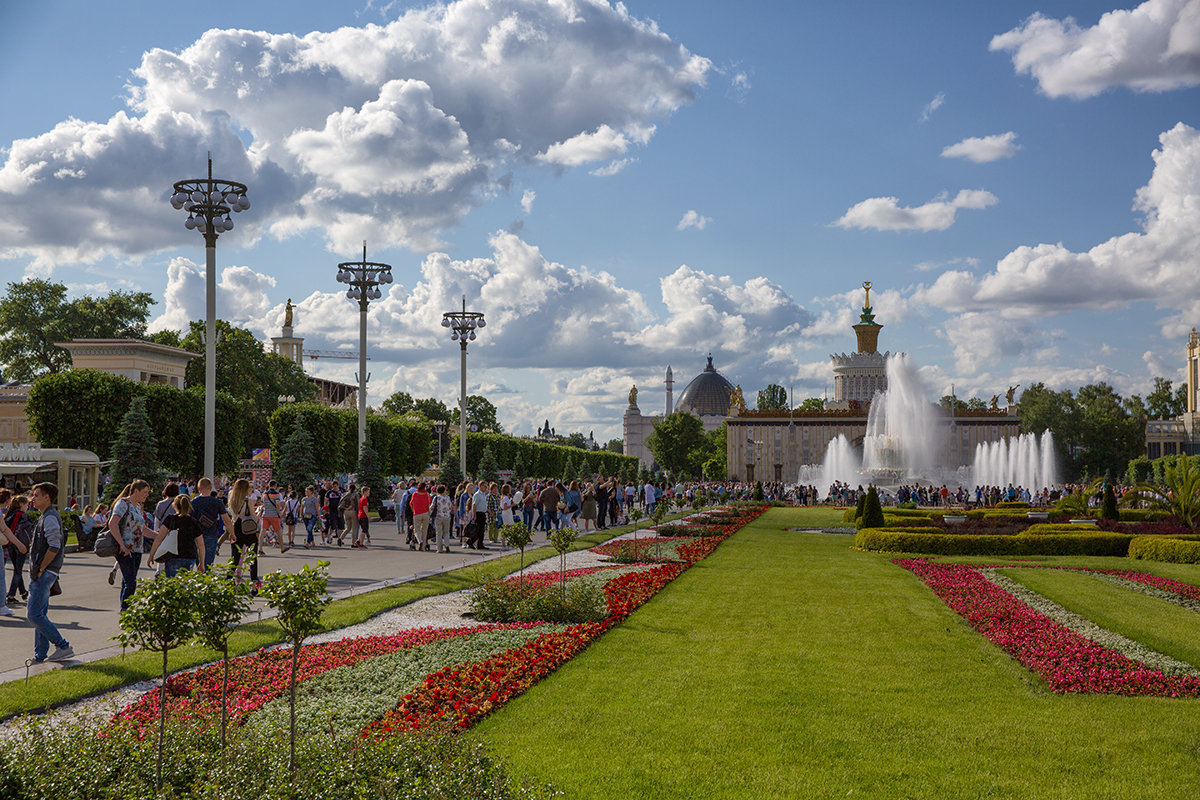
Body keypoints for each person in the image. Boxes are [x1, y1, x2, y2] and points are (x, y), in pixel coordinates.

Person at [26, 482, 73, 663]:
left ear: (47, 497)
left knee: (34, 615)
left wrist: (42, 568)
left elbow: (54, 545)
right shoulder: (45, 516)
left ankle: (63, 646)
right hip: (43, 572)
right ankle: (40, 654)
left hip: (44, 573)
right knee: (40, 615)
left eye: (36, 495)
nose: (33, 498)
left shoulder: (50, 517)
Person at [110, 480, 156, 611]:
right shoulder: (123, 504)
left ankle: (125, 608)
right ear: (136, 491)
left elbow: (143, 529)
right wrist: (122, 545)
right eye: (145, 492)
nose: (147, 495)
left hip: (137, 549)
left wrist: (159, 536)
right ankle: (125, 609)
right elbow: (112, 524)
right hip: (125, 549)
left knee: (128, 580)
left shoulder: (137, 507)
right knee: (131, 582)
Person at [149, 494, 205, 577]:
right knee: (184, 585)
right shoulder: (193, 522)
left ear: (174, 506)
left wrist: (151, 555)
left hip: (173, 555)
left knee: (172, 584)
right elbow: (201, 545)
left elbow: (159, 538)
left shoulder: (170, 519)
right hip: (189, 557)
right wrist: (201, 563)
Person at [227, 478, 262, 593]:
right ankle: (253, 587)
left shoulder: (232, 501)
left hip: (236, 529)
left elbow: (233, 518)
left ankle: (228, 583)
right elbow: (255, 518)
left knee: (235, 559)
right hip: (249, 531)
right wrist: (258, 513)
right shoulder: (248, 501)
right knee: (252, 558)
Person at [190, 478, 233, 570]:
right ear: (210, 488)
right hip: (211, 534)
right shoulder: (217, 502)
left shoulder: (193, 502)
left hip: (196, 536)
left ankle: (199, 581)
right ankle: (206, 581)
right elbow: (226, 520)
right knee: (208, 565)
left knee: (199, 563)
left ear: (198, 489)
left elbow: (189, 521)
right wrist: (232, 533)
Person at [1, 490, 29, 615]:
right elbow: (6, 530)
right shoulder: (19, 515)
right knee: (6, 574)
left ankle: (22, 592)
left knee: (17, 570)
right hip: (12, 545)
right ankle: (3, 603)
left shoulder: (8, 513)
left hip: (9, 546)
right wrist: (19, 543)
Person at [260, 480, 289, 553]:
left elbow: (262, 502)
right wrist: (279, 513)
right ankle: (282, 548)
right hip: (274, 515)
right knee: (278, 532)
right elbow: (277, 504)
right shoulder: (277, 494)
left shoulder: (264, 494)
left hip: (265, 514)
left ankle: (260, 548)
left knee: (262, 531)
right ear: (275, 486)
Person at [408, 482, 432, 551]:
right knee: (424, 531)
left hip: (417, 514)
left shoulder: (415, 494)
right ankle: (423, 547)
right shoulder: (427, 495)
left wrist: (413, 511)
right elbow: (430, 503)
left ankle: (420, 541)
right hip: (426, 514)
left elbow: (411, 503)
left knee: (416, 530)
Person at [431, 484, 453, 553]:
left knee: (439, 533)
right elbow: (450, 507)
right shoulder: (448, 498)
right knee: (446, 532)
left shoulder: (436, 498)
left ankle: (439, 549)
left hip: (438, 516)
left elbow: (432, 507)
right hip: (447, 516)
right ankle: (447, 545)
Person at [324, 481, 343, 545]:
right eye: (333, 486)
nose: (334, 487)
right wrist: (326, 510)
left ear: (338, 485)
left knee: (340, 526)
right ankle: (329, 537)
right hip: (332, 511)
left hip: (340, 511)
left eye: (336, 486)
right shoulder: (329, 492)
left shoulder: (341, 491)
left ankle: (340, 539)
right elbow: (326, 501)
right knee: (333, 525)